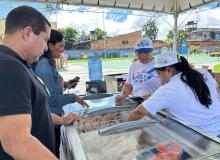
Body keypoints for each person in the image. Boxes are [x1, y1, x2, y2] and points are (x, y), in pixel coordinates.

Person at [0, 6, 60, 160]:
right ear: (27, 33)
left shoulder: (18, 64)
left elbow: (30, 112)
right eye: (45, 40)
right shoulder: (10, 67)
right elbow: (15, 140)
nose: (46, 47)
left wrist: (62, 120)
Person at [128, 51, 220, 137]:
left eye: (159, 74)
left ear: (168, 70)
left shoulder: (168, 89)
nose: (160, 78)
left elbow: (140, 111)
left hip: (201, 137)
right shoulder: (203, 73)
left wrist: (125, 123)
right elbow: (197, 95)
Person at [33, 29, 89, 158]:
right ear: (50, 45)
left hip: (54, 120)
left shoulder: (50, 64)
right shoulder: (44, 66)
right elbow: (51, 99)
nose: (63, 49)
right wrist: (74, 97)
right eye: (61, 46)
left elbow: (52, 89)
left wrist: (67, 85)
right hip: (48, 123)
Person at [116, 38, 162, 102]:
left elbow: (168, 87)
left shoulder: (159, 64)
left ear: (151, 51)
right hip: (137, 103)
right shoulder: (134, 65)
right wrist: (121, 96)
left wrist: (153, 97)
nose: (143, 56)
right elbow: (128, 86)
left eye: (146, 52)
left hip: (154, 104)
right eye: (139, 53)